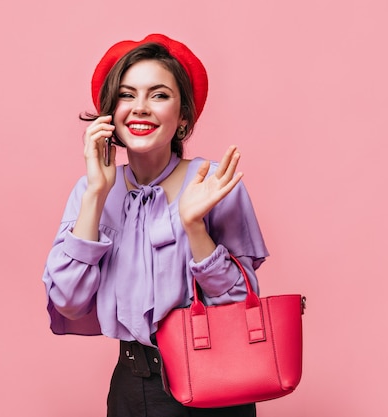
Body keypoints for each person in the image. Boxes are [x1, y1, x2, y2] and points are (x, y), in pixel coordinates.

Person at [42, 34, 269, 417]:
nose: (140, 108)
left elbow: (239, 306)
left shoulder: (213, 183)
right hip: (131, 387)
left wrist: (194, 227)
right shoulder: (92, 189)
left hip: (215, 381)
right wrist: (97, 193)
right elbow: (68, 299)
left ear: (183, 116)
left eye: (159, 95)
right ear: (109, 114)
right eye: (127, 96)